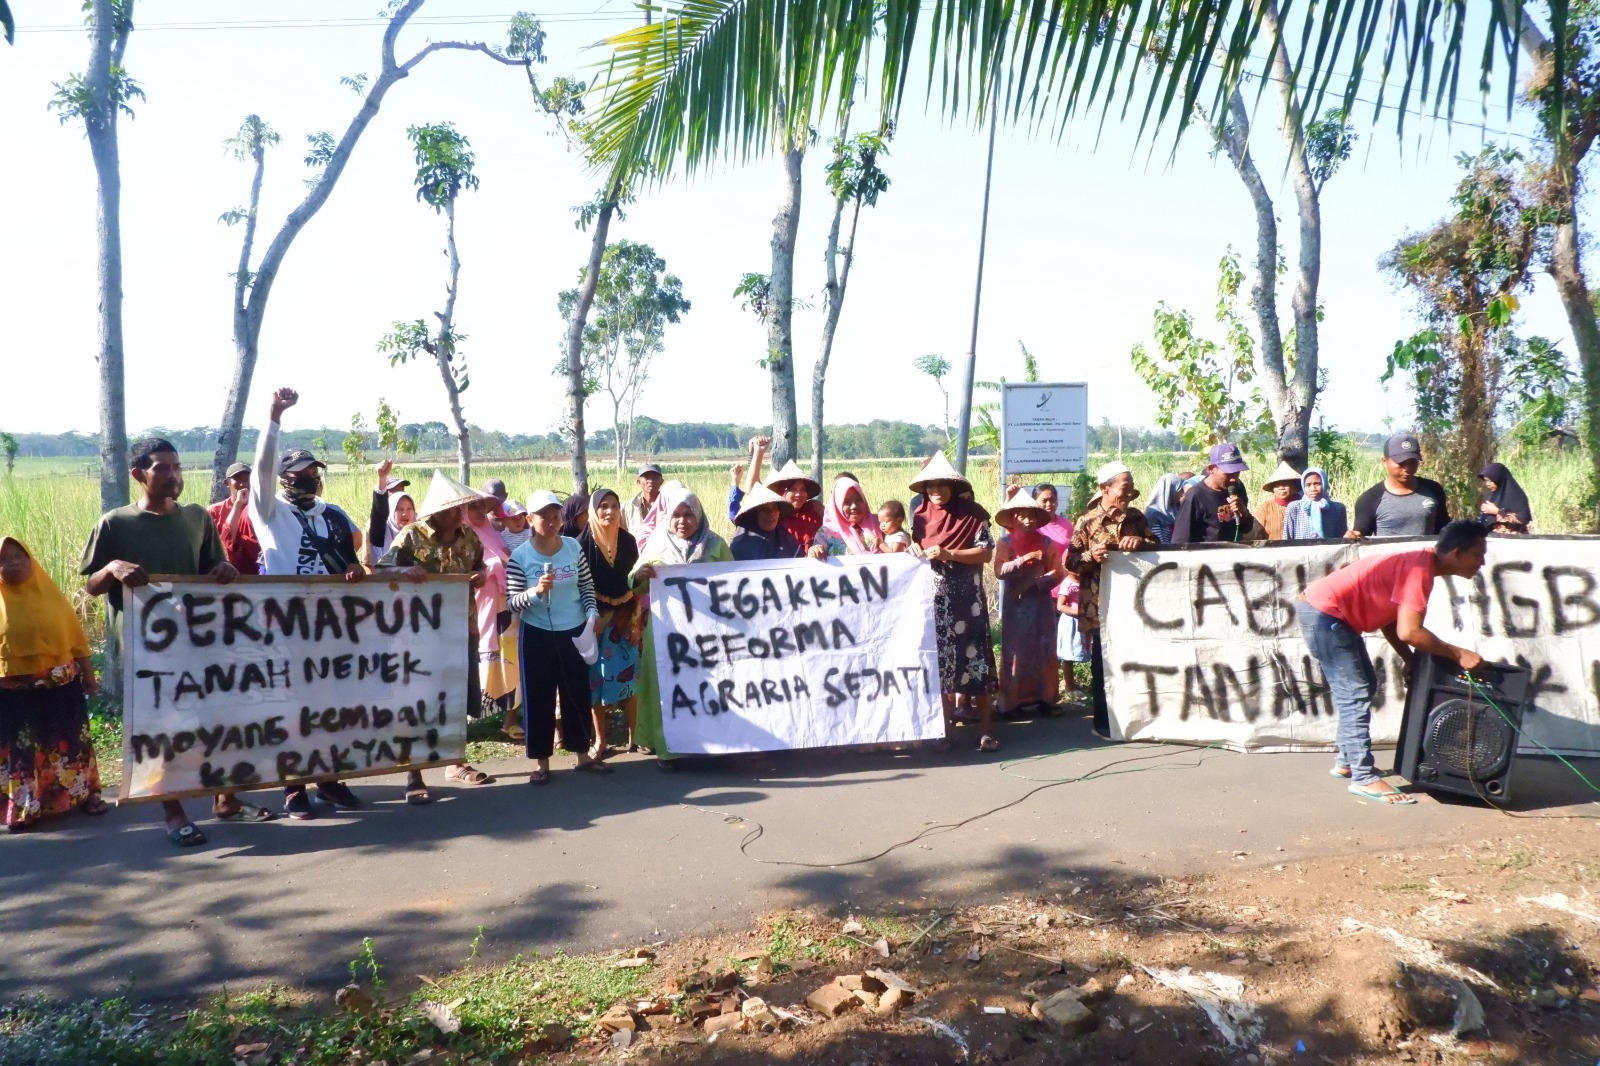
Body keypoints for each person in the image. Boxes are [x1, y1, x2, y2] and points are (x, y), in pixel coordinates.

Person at [81, 437, 273, 846]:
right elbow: (91, 587)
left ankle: (226, 799)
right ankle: (174, 810)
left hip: (196, 644)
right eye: (161, 468)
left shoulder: (197, 519)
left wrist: (223, 569)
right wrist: (113, 568)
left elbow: (212, 569)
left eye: (177, 467)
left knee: (216, 720)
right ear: (139, 475)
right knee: (166, 732)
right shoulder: (115, 524)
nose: (173, 475)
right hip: (145, 651)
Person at [1298, 520, 1489, 804]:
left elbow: (1392, 622)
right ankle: (1363, 777)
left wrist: (1409, 659)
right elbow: (1410, 631)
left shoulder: (1421, 563)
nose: (1482, 562)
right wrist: (1459, 653)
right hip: (1326, 615)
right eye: (1478, 554)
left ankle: (1347, 760)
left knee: (1363, 685)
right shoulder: (1419, 571)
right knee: (1355, 692)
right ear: (1457, 553)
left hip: (1326, 614)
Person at [250, 389, 372, 818]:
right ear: (284, 478)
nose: (308, 478)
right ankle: (292, 787)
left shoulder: (332, 513)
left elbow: (351, 560)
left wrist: (353, 574)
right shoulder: (269, 511)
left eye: (312, 472)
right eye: (299, 473)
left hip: (332, 627)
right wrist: (274, 418)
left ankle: (329, 780)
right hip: (285, 625)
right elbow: (260, 470)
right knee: (290, 708)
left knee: (330, 705)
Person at [377, 471, 497, 801]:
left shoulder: (469, 538)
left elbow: (480, 565)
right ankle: (413, 773)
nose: (461, 513)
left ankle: (455, 761)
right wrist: (403, 571)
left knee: (455, 694)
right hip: (418, 633)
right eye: (455, 508)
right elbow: (381, 569)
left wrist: (480, 577)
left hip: (459, 627)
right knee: (417, 698)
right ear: (439, 510)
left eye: (462, 507)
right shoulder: (411, 536)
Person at [1, 537, 108, 831]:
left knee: (72, 743)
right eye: (3, 559)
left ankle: (85, 796)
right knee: (23, 751)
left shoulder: (51, 596)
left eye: (18, 556)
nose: (11, 563)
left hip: (62, 686)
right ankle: (26, 807)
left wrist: (88, 673)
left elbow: (76, 639)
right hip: (14, 693)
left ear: (30, 560)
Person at [506, 490, 610, 784]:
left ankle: (581, 755)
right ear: (529, 519)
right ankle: (541, 762)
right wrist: (536, 592)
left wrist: (592, 613)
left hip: (574, 631)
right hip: (537, 634)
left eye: (555, 516)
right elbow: (511, 602)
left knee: (577, 693)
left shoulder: (573, 549)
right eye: (544, 517)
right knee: (538, 697)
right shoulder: (520, 557)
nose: (552, 522)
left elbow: (586, 587)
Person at [630, 483, 733, 770]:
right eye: (676, 515)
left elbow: (735, 582)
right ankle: (668, 750)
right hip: (666, 633)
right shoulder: (657, 544)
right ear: (667, 516)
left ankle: (713, 746)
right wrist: (641, 573)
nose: (682, 522)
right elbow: (633, 582)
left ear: (698, 516)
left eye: (689, 515)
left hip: (706, 634)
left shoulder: (715, 545)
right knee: (668, 689)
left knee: (707, 688)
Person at [909, 453, 1001, 751]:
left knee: (977, 664)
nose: (936, 490)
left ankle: (986, 732)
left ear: (953, 485)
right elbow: (917, 546)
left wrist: (950, 553)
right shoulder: (920, 517)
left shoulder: (972, 513)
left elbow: (986, 552)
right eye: (931, 485)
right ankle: (944, 731)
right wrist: (911, 547)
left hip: (968, 601)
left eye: (942, 485)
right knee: (941, 667)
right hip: (934, 602)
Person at [1067, 462, 1159, 738]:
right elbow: (1070, 562)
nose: (1129, 493)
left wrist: (1141, 543)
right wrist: (1089, 557)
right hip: (1100, 604)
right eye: (1124, 487)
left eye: (1131, 488)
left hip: (1136, 604)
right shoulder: (1086, 522)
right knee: (1103, 663)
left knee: (1135, 660)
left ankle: (1138, 719)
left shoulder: (1137, 519)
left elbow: (1161, 550)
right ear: (1105, 488)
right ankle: (1104, 723)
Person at [994, 486, 1067, 716]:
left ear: (1037, 519)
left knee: (1044, 651)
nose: (1027, 520)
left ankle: (1047, 699)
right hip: (1015, 607)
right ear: (1013, 518)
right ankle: (1011, 703)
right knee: (1015, 654)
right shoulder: (1005, 543)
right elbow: (999, 570)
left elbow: (1058, 573)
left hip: (1041, 607)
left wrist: (1036, 582)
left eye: (1031, 515)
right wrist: (1024, 559)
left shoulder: (1046, 543)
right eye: (1022, 515)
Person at [580, 488, 643, 755]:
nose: (609, 511)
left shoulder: (628, 541)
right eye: (603, 506)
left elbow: (635, 583)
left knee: (631, 682)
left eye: (614, 506)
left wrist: (636, 621)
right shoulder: (581, 544)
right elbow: (579, 587)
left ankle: (635, 737)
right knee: (596, 684)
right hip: (595, 624)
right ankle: (601, 740)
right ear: (594, 511)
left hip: (625, 621)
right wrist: (595, 617)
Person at [467, 491, 520, 726]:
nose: (479, 511)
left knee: (510, 657)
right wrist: (491, 568)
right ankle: (477, 717)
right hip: (480, 608)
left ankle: (510, 718)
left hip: (505, 604)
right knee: (483, 657)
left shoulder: (493, 531)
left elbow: (508, 557)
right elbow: (466, 570)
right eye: (473, 506)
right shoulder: (464, 535)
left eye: (483, 506)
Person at [1349, 433, 1450, 538]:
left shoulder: (1433, 490)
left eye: (1412, 463)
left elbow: (1444, 529)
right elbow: (1361, 540)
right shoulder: (1369, 499)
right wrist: (1354, 536)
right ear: (1384, 462)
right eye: (1401, 463)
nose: (1407, 469)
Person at [1170, 443, 1256, 544]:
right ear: (1211, 469)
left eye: (1237, 473)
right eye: (1228, 474)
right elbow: (1180, 540)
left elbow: (1246, 528)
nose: (1233, 478)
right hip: (1207, 556)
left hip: (1235, 554)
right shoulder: (1195, 495)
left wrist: (1243, 512)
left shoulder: (1237, 487)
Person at [207, 462, 262, 574]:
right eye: (237, 480)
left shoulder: (260, 510)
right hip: (226, 573)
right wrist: (238, 505)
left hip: (255, 570)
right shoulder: (214, 511)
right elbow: (226, 540)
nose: (243, 484)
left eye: (247, 479)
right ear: (227, 483)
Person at [811, 476, 884, 557]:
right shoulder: (825, 532)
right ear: (837, 505)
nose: (854, 506)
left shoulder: (880, 523)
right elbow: (814, 562)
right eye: (846, 502)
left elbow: (898, 545)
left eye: (859, 500)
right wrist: (814, 551)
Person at [731, 483, 805, 560]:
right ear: (754, 514)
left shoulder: (788, 541)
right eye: (764, 509)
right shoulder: (740, 547)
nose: (771, 513)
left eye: (774, 508)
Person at [365, 459, 414, 565]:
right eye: (399, 509)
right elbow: (379, 512)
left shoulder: (420, 532)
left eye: (409, 509)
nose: (405, 513)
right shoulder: (381, 531)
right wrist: (381, 478)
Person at [1284, 467, 1348, 540]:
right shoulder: (1294, 507)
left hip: (1328, 550)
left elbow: (1342, 539)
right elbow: (1287, 537)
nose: (1313, 489)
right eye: (1308, 485)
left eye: (1317, 484)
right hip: (1301, 550)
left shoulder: (1338, 508)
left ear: (1324, 484)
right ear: (1303, 486)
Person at [1253, 461, 1303, 541]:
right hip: (1272, 550)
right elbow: (1254, 532)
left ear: (1294, 486)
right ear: (1273, 488)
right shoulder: (1266, 507)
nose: (1281, 488)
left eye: (1285, 484)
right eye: (1277, 485)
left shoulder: (1304, 506)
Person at [1478, 462, 1532, 534]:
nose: (1487, 484)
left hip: (1513, 540)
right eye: (1486, 481)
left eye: (1490, 480)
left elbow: (1523, 519)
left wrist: (1497, 511)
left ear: (1499, 478)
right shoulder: (1493, 496)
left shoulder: (1517, 496)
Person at [1143, 473, 1185, 545]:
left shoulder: (1173, 510)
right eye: (1180, 490)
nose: (1182, 494)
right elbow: (1158, 541)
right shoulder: (1153, 514)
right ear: (1170, 490)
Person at [623, 464, 664, 537]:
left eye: (655, 478)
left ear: (661, 481)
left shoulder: (669, 505)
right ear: (638, 482)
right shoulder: (627, 508)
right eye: (647, 477)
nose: (651, 481)